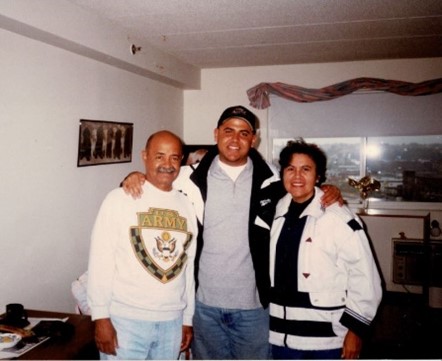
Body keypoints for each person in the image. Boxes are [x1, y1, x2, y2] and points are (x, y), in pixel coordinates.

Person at [122, 105, 342, 359]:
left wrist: (326, 189)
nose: (235, 139)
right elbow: (152, 183)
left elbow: (303, 188)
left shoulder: (273, 180)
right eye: (228, 131)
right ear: (216, 134)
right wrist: (134, 176)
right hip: (203, 307)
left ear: (254, 139)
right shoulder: (187, 178)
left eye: (244, 133)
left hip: (254, 307)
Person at [266, 139, 382, 360]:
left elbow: (366, 278)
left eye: (306, 169)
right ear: (282, 174)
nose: (297, 176)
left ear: (318, 176)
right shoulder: (274, 213)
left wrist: (355, 331)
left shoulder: (339, 217)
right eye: (291, 169)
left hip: (326, 340)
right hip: (280, 336)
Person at [87, 130, 197, 360]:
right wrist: (100, 318)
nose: (167, 164)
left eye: (174, 157)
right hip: (125, 322)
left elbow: (188, 268)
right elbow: (100, 262)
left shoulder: (187, 205)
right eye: (159, 156)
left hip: (172, 322)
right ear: (144, 156)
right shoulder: (119, 199)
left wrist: (187, 319)